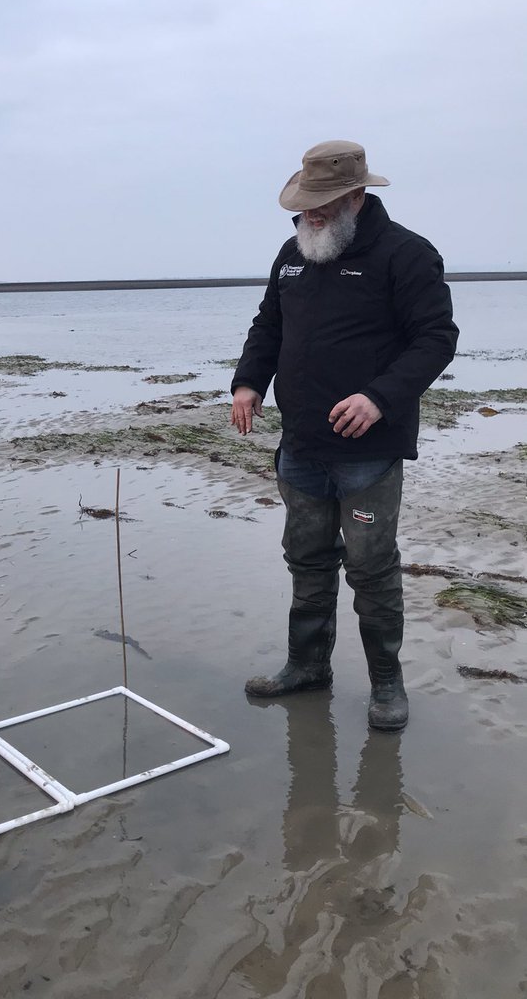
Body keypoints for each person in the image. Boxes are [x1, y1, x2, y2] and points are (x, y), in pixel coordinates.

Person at [231, 140, 458, 731]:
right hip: (302, 445)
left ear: (358, 195)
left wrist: (379, 398)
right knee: (306, 560)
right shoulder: (292, 254)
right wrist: (249, 382)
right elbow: (269, 325)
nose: (311, 215)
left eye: (324, 204)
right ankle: (307, 667)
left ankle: (387, 684)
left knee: (371, 569)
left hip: (368, 453)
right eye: (305, 205)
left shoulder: (405, 254)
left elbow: (435, 339)